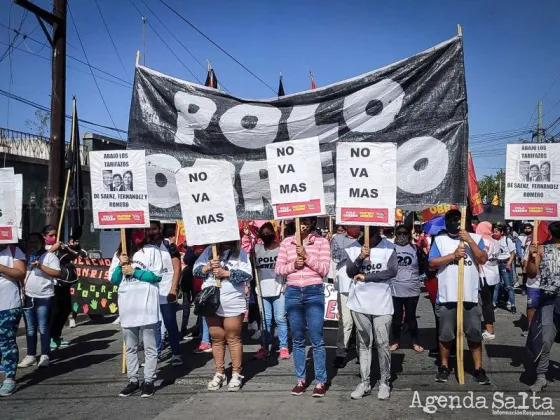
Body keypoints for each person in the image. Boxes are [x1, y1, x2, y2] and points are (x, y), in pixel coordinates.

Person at [428, 209, 490, 385]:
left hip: (469, 295)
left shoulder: (475, 238)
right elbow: (432, 263)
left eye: (458, 219)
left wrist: (469, 240)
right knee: (446, 334)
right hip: (447, 296)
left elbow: (483, 259)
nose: (455, 222)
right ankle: (445, 366)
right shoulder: (439, 240)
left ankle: (478, 368)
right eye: (452, 220)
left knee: (474, 334)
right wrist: (453, 256)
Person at [276, 217, 330, 398]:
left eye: (307, 220)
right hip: (292, 291)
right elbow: (279, 269)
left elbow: (324, 269)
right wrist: (293, 265)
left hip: (314, 291)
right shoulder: (286, 242)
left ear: (312, 222)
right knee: (298, 339)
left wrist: (307, 257)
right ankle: (301, 379)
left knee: (317, 338)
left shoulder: (322, 242)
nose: (304, 224)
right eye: (301, 221)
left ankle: (321, 381)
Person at [345, 226, 397, 400]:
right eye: (367, 234)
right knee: (364, 343)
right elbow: (350, 272)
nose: (370, 238)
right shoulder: (352, 247)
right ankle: (365, 382)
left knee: (383, 343)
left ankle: (384, 382)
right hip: (359, 304)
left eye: (374, 235)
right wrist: (360, 257)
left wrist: (367, 277)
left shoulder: (389, 247)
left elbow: (391, 271)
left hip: (382, 303)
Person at [109, 230, 163, 398]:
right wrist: (120, 265)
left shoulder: (152, 251)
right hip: (128, 306)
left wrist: (135, 272)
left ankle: (148, 381)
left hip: (147, 307)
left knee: (150, 347)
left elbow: (156, 276)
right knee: (130, 348)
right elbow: (114, 279)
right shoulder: (119, 253)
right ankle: (133, 380)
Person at [193, 241, 252, 392]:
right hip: (211, 300)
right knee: (216, 337)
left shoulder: (240, 253)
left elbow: (247, 274)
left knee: (233, 336)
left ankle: (236, 373)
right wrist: (207, 267)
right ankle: (220, 372)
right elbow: (195, 271)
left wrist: (226, 273)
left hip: (232, 301)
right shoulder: (209, 251)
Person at [525, 221, 560, 392]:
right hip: (549, 301)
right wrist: (532, 258)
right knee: (545, 340)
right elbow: (531, 272)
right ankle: (541, 377)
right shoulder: (540, 249)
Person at [18, 233, 62, 369]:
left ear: (42, 243)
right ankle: (31, 355)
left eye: (36, 242)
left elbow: (57, 273)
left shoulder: (50, 256)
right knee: (30, 328)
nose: (33, 244)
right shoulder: (26, 256)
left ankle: (45, 355)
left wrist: (40, 266)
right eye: (30, 242)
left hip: (44, 297)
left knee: (43, 327)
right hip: (28, 296)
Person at [147, 221, 183, 367]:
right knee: (152, 325)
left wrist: (174, 289)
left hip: (166, 290)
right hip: (150, 291)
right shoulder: (144, 246)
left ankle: (176, 353)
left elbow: (177, 267)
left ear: (160, 229)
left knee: (170, 323)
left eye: (154, 228)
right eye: (148, 229)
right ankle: (154, 353)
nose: (151, 231)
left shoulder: (169, 245)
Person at [253, 222, 290, 360]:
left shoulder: (281, 249)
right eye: (263, 233)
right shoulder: (256, 249)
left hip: (279, 288)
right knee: (266, 319)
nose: (266, 235)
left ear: (274, 233)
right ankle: (265, 346)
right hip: (262, 290)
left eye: (269, 232)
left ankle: (283, 347)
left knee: (280, 318)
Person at [390, 225, 424, 353]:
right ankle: (395, 341)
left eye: (405, 233)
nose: (402, 236)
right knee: (396, 318)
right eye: (399, 233)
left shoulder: (416, 248)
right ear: (396, 234)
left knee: (411, 317)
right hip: (395, 289)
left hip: (412, 289)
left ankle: (415, 341)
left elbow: (422, 265)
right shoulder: (391, 249)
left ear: (409, 234)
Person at [332, 225, 361, 368]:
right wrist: (356, 248)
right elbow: (336, 257)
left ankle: (362, 352)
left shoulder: (367, 238)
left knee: (362, 322)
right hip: (344, 285)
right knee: (346, 322)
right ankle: (341, 351)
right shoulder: (336, 239)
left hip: (362, 286)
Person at [0, 243, 26, 396]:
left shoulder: (14, 251)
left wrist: (1, 268)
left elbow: (21, 273)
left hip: (8, 304)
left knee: (6, 341)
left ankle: (10, 378)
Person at [476, 222, 500, 340]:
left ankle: (489, 329)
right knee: (488, 302)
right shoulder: (495, 241)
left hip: (484, 275)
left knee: (486, 303)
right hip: (493, 275)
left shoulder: (484, 242)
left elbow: (481, 257)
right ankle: (490, 326)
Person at [492, 225, 517, 313]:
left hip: (505, 263)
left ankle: (513, 305)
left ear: (501, 232)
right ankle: (494, 304)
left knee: (508, 286)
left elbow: (512, 253)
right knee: (496, 285)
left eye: (497, 231)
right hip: (496, 263)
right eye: (494, 231)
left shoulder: (507, 239)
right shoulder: (492, 240)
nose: (495, 233)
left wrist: (509, 263)